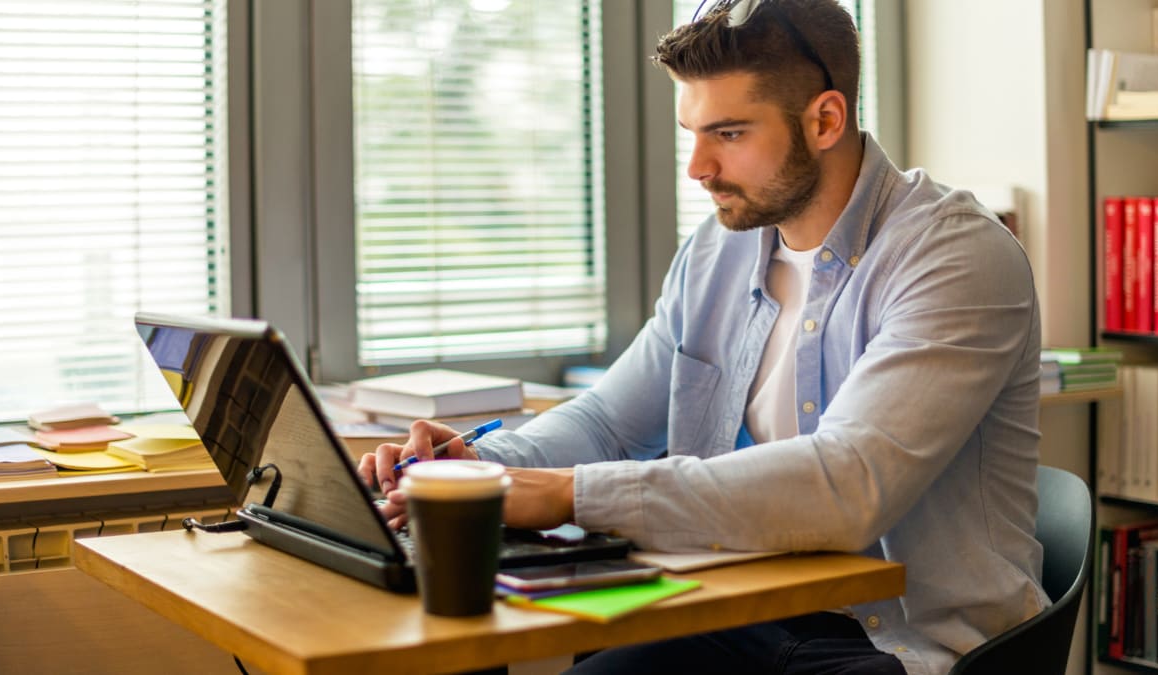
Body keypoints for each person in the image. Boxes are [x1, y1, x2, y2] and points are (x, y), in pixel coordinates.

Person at [359, 0, 1046, 673]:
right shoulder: (719, 250)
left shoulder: (954, 255)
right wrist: (478, 469)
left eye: (729, 133)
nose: (698, 168)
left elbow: (846, 486)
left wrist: (570, 493)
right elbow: (609, 421)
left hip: (898, 640)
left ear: (826, 119)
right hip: (732, 610)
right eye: (692, 132)